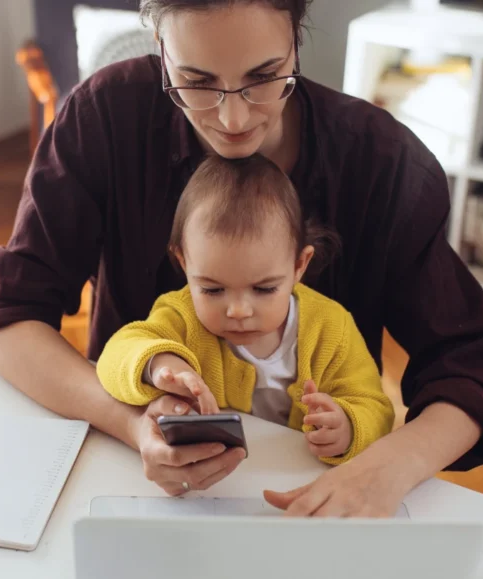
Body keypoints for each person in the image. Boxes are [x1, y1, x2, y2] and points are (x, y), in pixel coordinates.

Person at [0, 0, 483, 517]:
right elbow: (10, 322)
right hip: (138, 479)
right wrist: (132, 423)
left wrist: (388, 465)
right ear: (160, 46)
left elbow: (466, 363)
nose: (231, 118)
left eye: (264, 75)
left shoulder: (381, 163)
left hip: (320, 482)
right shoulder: (105, 117)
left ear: (296, 40)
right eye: (197, 82)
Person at [97, 153, 394, 465]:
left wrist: (348, 427)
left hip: (300, 485)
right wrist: (158, 363)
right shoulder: (181, 315)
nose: (238, 310)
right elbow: (114, 356)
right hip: (212, 481)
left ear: (298, 265)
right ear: (184, 263)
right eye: (212, 289)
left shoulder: (332, 328)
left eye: (264, 289)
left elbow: (376, 409)